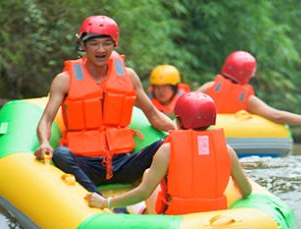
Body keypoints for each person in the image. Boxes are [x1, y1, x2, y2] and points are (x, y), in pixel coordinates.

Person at [33, 15, 177, 194]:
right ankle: (99, 198)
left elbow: (153, 115)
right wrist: (44, 142)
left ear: (115, 44)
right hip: (85, 164)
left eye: (107, 43)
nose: (101, 49)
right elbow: (46, 120)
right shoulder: (64, 80)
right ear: (83, 45)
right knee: (61, 154)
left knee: (166, 144)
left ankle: (163, 197)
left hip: (123, 163)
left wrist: (178, 132)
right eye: (94, 44)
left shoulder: (129, 76)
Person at [85, 92, 252, 214]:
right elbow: (246, 190)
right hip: (212, 215)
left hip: (176, 219)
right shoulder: (227, 150)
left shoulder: (167, 150)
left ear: (178, 121)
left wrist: (106, 202)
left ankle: (140, 212)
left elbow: (144, 192)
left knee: (148, 175)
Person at [196, 50, 301, 136]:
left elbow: (189, 104)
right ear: (246, 74)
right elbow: (277, 116)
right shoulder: (248, 100)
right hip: (230, 137)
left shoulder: (210, 86)